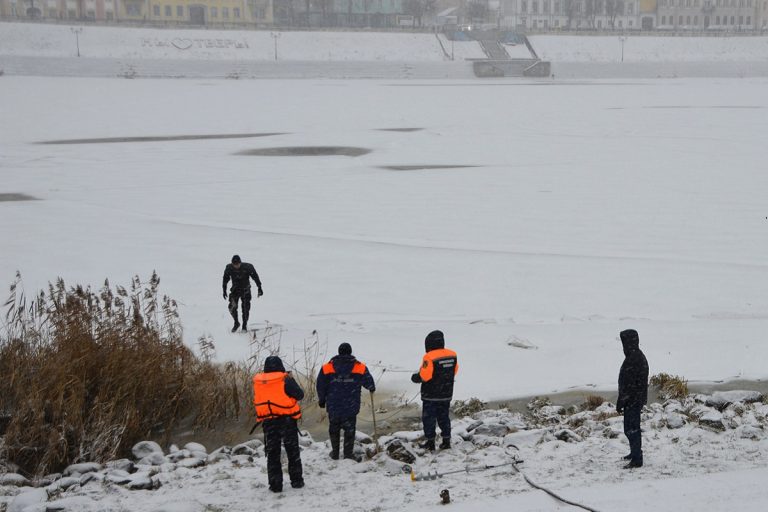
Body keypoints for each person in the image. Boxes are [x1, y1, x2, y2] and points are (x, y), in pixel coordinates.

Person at [252, 356, 304, 492]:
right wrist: (291, 379)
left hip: (269, 422)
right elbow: (300, 395)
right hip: (287, 421)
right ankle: (297, 481)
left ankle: (275, 485)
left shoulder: (259, 381)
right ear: (280, 365)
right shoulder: (285, 379)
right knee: (292, 452)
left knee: (273, 454)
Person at [316, 343, 376, 462]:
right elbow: (369, 383)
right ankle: (348, 454)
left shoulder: (327, 367)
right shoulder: (359, 367)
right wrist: (371, 387)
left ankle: (335, 453)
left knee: (334, 430)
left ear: (339, 352)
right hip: (350, 406)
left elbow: (320, 385)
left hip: (334, 405)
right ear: (350, 352)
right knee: (349, 431)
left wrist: (322, 400)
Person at [411, 330, 458, 451]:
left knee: (429, 419)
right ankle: (446, 441)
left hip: (431, 395)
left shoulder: (429, 357)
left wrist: (416, 377)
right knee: (444, 417)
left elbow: (425, 376)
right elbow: (454, 371)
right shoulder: (452, 355)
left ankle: (430, 443)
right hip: (446, 393)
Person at [616, 329, 649, 469]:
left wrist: (622, 400)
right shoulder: (635, 356)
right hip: (634, 399)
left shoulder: (634, 359)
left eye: (624, 342)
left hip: (633, 400)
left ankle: (637, 459)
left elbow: (630, 385)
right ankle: (634, 452)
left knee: (631, 429)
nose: (623, 345)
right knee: (631, 428)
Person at [222, 254, 263, 332]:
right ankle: (236, 323)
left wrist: (259, 287)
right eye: (234, 264)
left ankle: (244, 325)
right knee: (232, 307)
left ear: (240, 263)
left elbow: (255, 277)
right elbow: (225, 279)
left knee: (245, 309)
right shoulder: (229, 268)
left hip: (245, 290)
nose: (236, 266)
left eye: (237, 264)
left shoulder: (248, 267)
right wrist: (224, 290)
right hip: (235, 290)